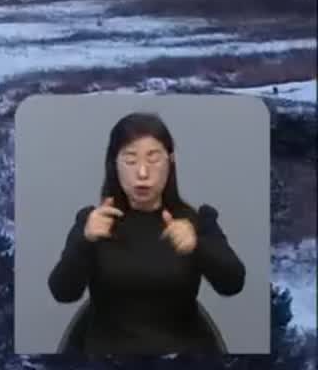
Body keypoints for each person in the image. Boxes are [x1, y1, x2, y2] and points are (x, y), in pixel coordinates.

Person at [47, 111, 246, 354]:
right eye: (130, 160)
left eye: (153, 159)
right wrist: (85, 241)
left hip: (183, 361)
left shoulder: (196, 220)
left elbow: (233, 283)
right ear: (114, 164)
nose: (142, 173)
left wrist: (198, 246)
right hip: (105, 362)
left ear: (170, 162)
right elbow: (62, 292)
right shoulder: (94, 221)